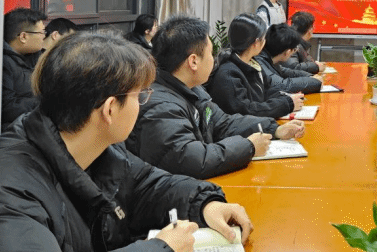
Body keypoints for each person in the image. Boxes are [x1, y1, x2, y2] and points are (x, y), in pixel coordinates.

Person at [0, 31, 253, 252]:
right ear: (110, 109)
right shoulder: (1, 196)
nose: (143, 104)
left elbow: (146, 185)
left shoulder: (97, 147)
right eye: (139, 96)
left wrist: (204, 204)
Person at [126, 16, 305, 179]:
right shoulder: (160, 105)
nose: (214, 59)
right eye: (210, 53)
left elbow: (223, 123)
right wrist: (248, 147)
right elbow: (191, 160)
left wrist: (274, 129)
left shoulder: (192, 89)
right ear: (193, 61)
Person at [207, 14, 304, 119]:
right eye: (263, 38)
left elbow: (268, 90)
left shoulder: (253, 63)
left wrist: (287, 99)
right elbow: (247, 110)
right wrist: (286, 104)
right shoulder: (228, 74)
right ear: (256, 42)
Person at [1, 7, 47, 130]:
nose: (44, 36)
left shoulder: (36, 57)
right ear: (23, 37)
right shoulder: (3, 63)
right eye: (42, 32)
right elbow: (7, 108)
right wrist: (44, 101)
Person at [256, 24, 324, 95]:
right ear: (287, 52)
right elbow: (284, 85)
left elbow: (286, 72)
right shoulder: (260, 63)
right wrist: (314, 82)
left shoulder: (268, 59)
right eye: (294, 49)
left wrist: (310, 76)